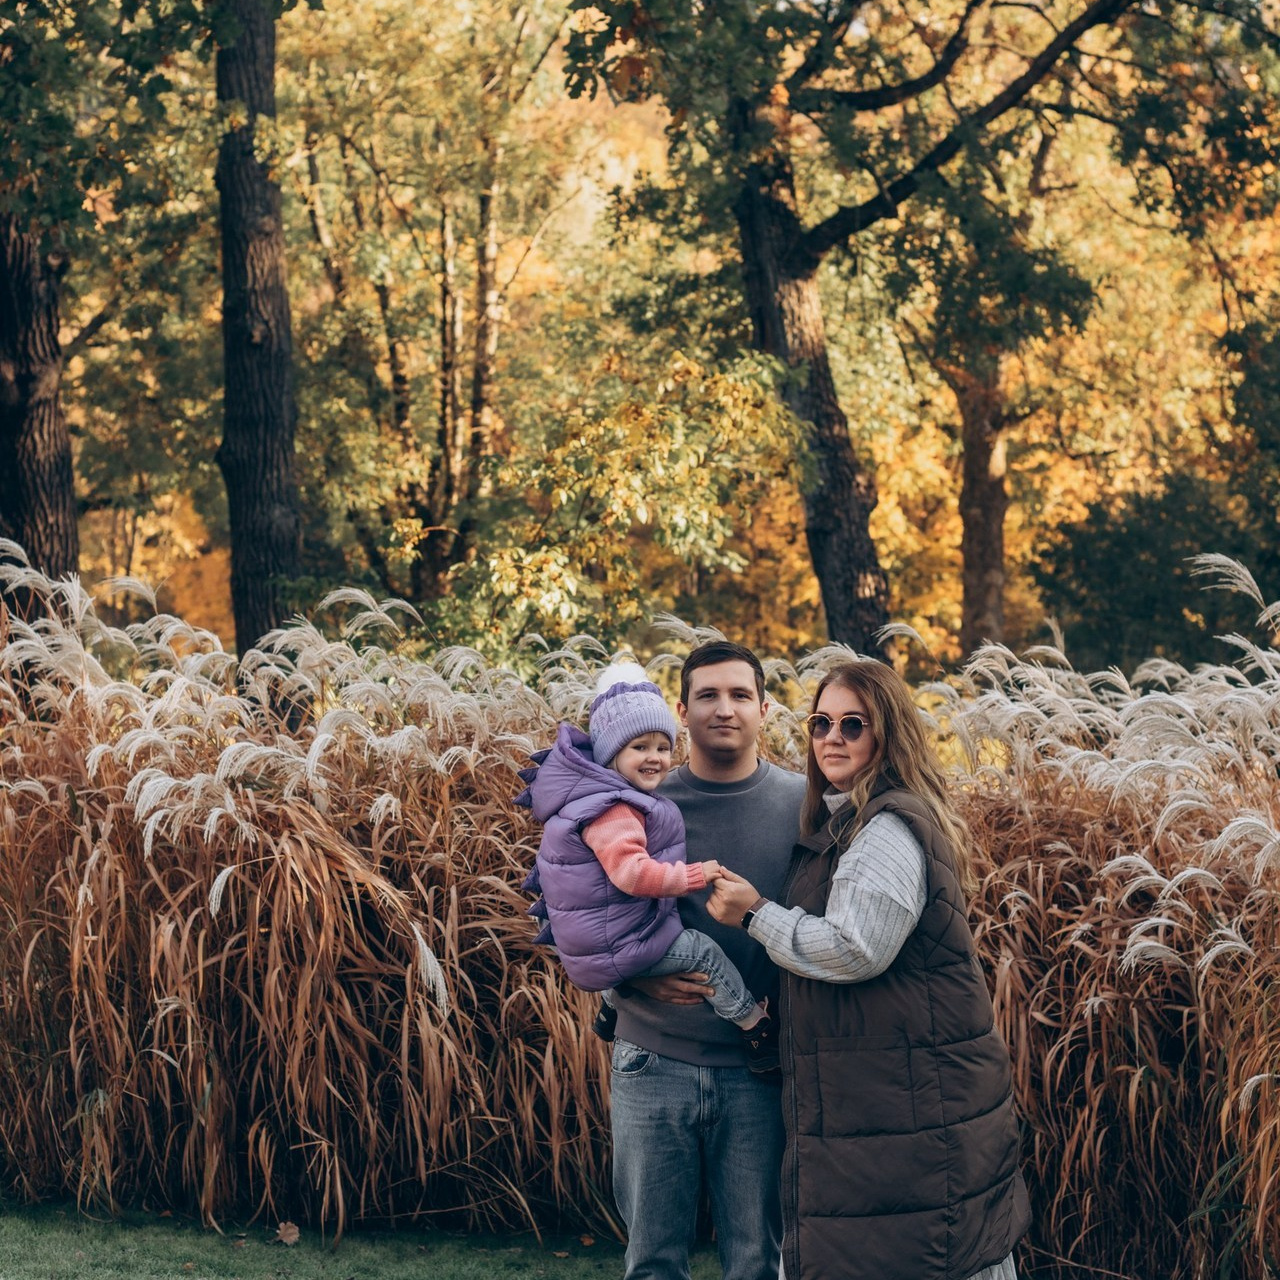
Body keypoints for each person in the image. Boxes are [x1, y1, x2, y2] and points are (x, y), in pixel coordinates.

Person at [708, 659, 1031, 1280]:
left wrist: (755, 916)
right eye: (820, 721)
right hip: (890, 1097)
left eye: (852, 724)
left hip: (906, 1106)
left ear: (887, 734)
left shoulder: (886, 828)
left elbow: (857, 947)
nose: (832, 736)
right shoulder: (849, 821)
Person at [608, 641, 807, 1280]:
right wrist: (624, 983)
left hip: (761, 1071)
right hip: (651, 1060)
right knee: (653, 1263)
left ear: (765, 708)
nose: (725, 709)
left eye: (740, 695)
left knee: (756, 1261)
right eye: (708, 696)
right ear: (680, 710)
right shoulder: (636, 802)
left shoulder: (804, 805)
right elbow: (576, 910)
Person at [518, 663, 780, 1072]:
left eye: (662, 747)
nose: (655, 758)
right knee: (702, 953)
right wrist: (695, 875)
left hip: (605, 939)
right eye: (640, 747)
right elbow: (633, 875)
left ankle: (609, 1010)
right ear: (611, 754)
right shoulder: (617, 809)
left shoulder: (602, 799)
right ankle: (754, 1024)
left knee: (636, 925)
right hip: (639, 1012)